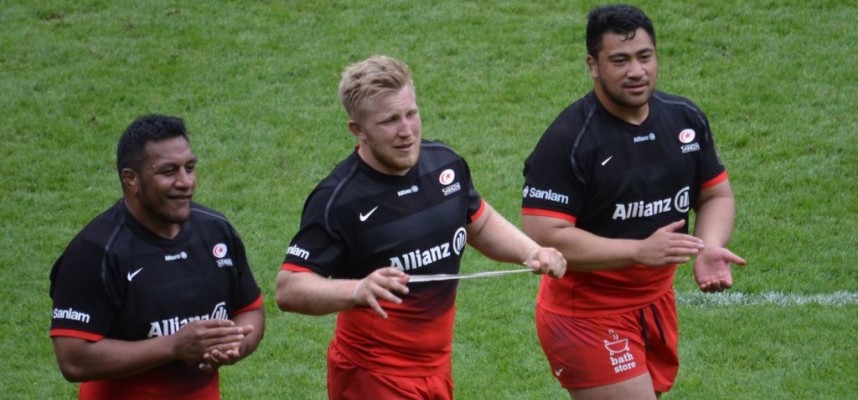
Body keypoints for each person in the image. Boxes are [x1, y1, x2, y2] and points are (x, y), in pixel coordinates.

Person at [275, 55, 567, 400]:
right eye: (389, 121)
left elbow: (479, 220)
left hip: (436, 368)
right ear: (358, 130)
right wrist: (356, 290)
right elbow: (288, 288)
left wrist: (532, 251)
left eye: (411, 114)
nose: (407, 131)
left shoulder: (443, 164)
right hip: (372, 374)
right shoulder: (340, 200)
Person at [520, 5, 746, 400]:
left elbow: (715, 194)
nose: (637, 71)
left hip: (655, 303)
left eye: (645, 57)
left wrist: (708, 246)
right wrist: (639, 251)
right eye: (619, 60)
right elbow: (545, 236)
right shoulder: (568, 141)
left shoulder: (684, 118)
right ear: (593, 65)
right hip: (586, 315)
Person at [49, 114, 265, 400]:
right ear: (132, 179)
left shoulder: (216, 232)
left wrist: (236, 344)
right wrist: (173, 346)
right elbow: (73, 359)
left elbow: (250, 308)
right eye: (169, 172)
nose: (186, 182)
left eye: (190, 168)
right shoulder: (95, 252)